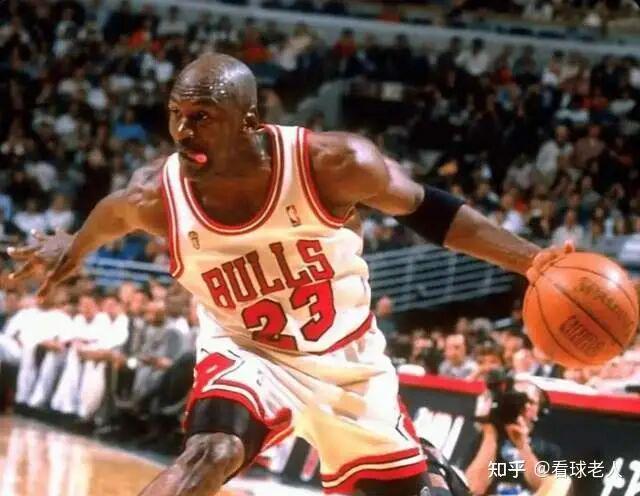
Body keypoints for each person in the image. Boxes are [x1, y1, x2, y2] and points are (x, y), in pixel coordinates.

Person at [7, 52, 571, 496]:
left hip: (349, 366)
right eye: (176, 114)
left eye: (202, 117)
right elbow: (107, 219)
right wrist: (71, 246)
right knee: (211, 453)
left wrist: (529, 260)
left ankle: (424, 465)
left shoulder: (333, 164)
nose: (182, 131)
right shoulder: (156, 195)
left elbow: (430, 210)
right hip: (247, 350)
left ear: (250, 122)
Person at [465, 380, 563, 495]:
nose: (523, 407)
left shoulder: (548, 449)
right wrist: (490, 432)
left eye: (530, 402)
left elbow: (548, 491)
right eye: (517, 401)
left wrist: (523, 446)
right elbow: (474, 488)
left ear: (540, 410)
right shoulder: (484, 440)